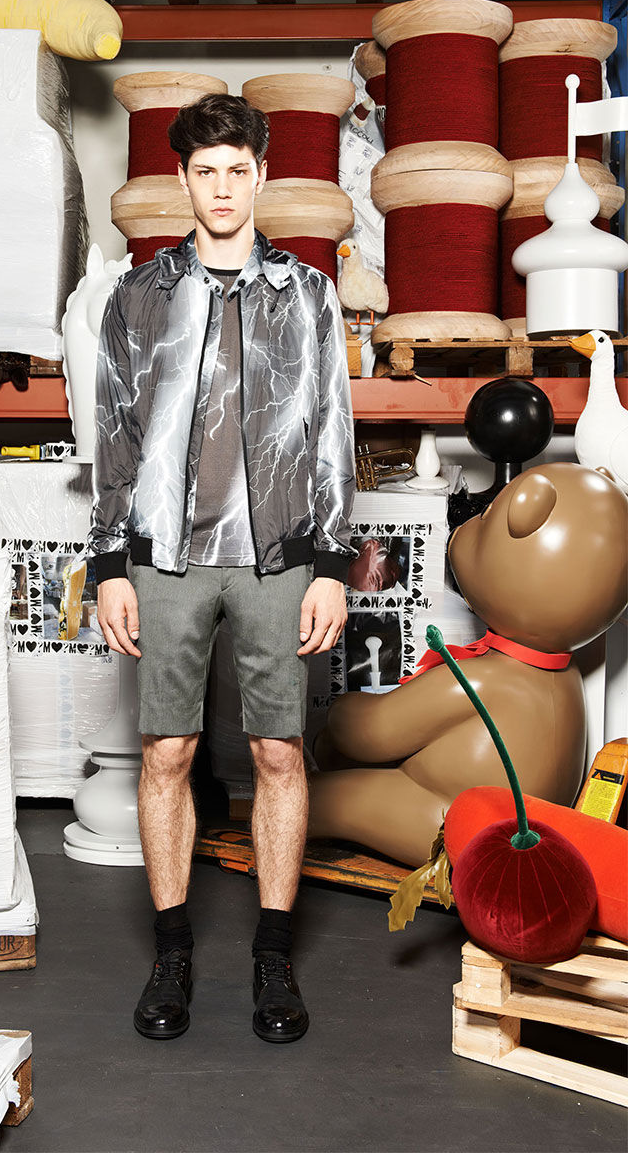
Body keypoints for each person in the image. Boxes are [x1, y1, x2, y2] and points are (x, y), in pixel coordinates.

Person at [88, 93, 356, 1043]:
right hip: (165, 557)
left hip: (277, 554)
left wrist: (332, 563)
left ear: (262, 175)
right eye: (206, 172)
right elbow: (112, 433)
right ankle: (172, 953)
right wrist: (109, 562)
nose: (223, 188)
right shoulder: (139, 296)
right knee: (167, 752)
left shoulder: (308, 294)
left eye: (239, 170)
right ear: (183, 180)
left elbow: (332, 427)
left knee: (279, 752)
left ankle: (273, 958)